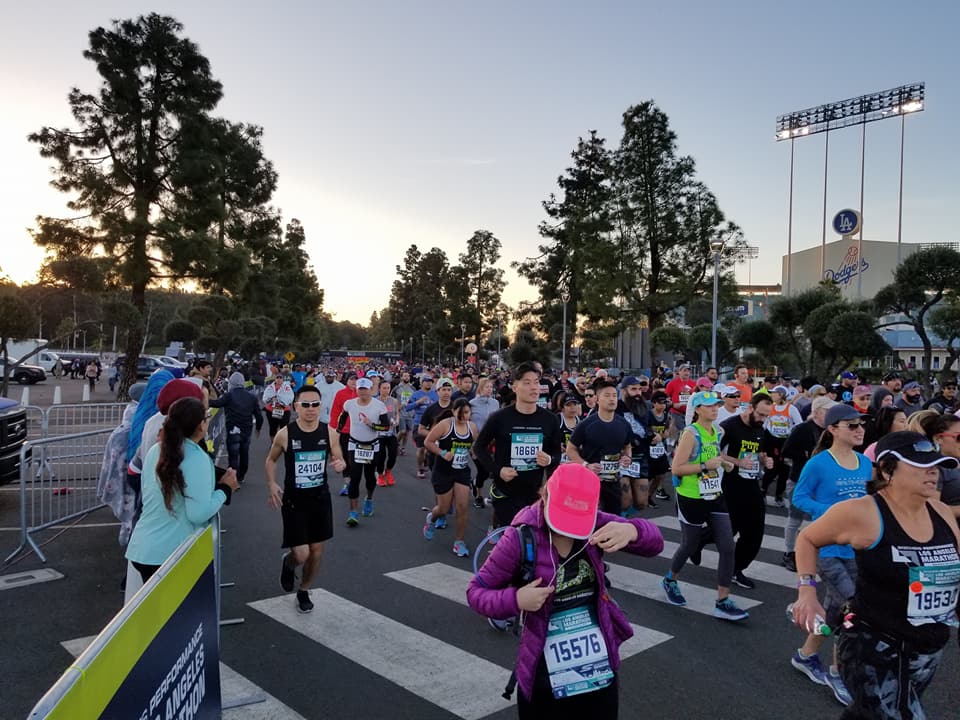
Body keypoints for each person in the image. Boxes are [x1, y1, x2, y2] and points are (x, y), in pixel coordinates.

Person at [466, 463, 664, 718]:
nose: (566, 530)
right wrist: (516, 599)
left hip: (597, 667)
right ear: (545, 494)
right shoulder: (520, 538)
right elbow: (476, 592)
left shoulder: (596, 523)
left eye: (576, 519)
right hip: (543, 672)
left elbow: (655, 543)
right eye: (562, 515)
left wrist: (633, 530)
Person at [791, 432, 960, 719]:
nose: (933, 471)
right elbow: (807, 538)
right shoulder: (864, 512)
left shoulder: (941, 512)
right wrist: (807, 591)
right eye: (920, 465)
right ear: (886, 469)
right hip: (874, 647)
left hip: (927, 649)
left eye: (935, 464)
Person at [789, 403, 872, 706]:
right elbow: (798, 498)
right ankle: (838, 673)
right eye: (852, 425)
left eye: (862, 424)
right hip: (825, 549)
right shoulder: (819, 464)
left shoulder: (865, 463)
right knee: (853, 609)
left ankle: (806, 655)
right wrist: (833, 514)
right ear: (833, 430)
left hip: (857, 550)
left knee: (835, 611)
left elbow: (869, 501)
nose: (860, 429)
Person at [125, 397, 238, 583]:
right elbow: (198, 513)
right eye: (206, 417)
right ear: (201, 425)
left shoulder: (156, 450)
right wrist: (226, 488)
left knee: (157, 611)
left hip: (142, 547)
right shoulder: (196, 457)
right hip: (172, 554)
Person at [661, 391, 749, 621]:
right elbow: (677, 468)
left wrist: (726, 463)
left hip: (714, 494)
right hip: (690, 495)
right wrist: (704, 465)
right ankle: (670, 579)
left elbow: (715, 454)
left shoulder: (718, 430)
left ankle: (722, 600)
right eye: (709, 406)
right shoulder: (690, 433)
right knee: (689, 544)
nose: (715, 409)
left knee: (728, 546)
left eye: (717, 405)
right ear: (698, 409)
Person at [265, 385, 345, 614]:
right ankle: (289, 562)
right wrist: (271, 483)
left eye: (316, 404)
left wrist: (341, 464)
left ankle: (304, 590)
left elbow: (339, 458)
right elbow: (270, 460)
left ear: (321, 406)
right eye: (306, 405)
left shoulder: (329, 433)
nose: (311, 409)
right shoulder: (285, 434)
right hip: (294, 501)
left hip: (320, 500)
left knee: (317, 552)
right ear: (296, 407)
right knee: (302, 553)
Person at [474, 362, 563, 539]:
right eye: (527, 382)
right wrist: (498, 470)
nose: (533, 387)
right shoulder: (500, 417)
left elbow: (556, 454)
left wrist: (549, 460)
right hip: (505, 491)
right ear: (515, 387)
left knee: (533, 542)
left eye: (536, 382)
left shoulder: (550, 420)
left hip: (535, 492)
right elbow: (479, 447)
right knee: (516, 538)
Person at [719, 395, 774, 589]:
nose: (762, 419)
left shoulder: (760, 428)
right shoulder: (729, 425)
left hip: (751, 484)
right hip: (731, 485)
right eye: (760, 414)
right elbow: (713, 451)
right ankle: (695, 542)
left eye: (766, 416)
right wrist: (737, 462)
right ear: (750, 407)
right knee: (728, 529)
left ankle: (736, 569)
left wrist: (765, 460)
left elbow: (760, 452)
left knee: (755, 532)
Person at [780, 397, 836, 571]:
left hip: (822, 482)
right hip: (800, 479)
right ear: (817, 411)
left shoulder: (831, 430)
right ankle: (789, 553)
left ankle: (814, 550)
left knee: (818, 519)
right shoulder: (803, 429)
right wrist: (807, 456)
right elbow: (786, 451)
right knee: (795, 519)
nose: (830, 415)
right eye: (828, 411)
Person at [564, 379, 632, 515]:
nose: (612, 399)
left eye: (614, 395)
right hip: (590, 481)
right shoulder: (587, 424)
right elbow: (570, 449)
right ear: (597, 399)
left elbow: (627, 446)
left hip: (613, 482)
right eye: (607, 395)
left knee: (612, 520)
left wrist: (627, 457)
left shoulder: (623, 424)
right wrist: (585, 465)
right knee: (591, 519)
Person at [423, 398, 478, 556]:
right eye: (460, 413)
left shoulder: (472, 427)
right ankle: (431, 519)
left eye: (467, 413)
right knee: (444, 508)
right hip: (443, 470)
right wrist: (442, 453)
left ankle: (459, 542)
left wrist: (476, 454)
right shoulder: (445, 425)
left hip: (461, 471)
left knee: (462, 507)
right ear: (453, 411)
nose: (464, 416)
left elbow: (475, 445)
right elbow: (428, 441)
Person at [331, 377, 389, 526]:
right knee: (354, 477)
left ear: (371, 390)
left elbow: (386, 427)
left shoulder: (379, 406)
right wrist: (338, 430)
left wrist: (372, 425)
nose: (362, 392)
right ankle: (353, 512)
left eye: (365, 389)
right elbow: (343, 416)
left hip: (372, 445)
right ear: (356, 390)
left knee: (370, 477)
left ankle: (369, 499)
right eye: (360, 389)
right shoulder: (349, 404)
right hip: (354, 444)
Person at [209, 372, 264, 485]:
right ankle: (241, 476)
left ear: (231, 382)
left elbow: (216, 403)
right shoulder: (252, 397)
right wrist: (258, 428)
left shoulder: (229, 395)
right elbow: (259, 415)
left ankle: (233, 479)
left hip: (232, 429)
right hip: (246, 430)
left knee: (233, 456)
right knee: (244, 453)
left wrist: (203, 397)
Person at [469, 377, 500, 508]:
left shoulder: (495, 403)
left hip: (492, 442)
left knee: (492, 471)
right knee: (482, 470)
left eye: (491, 387)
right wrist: (472, 446)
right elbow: (468, 423)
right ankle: (478, 495)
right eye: (487, 387)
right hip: (476, 442)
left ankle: (489, 492)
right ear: (480, 388)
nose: (489, 389)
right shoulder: (472, 403)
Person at [405, 374, 438, 479]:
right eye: (426, 381)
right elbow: (407, 407)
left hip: (433, 425)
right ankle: (420, 468)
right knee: (421, 449)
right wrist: (418, 402)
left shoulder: (436, 394)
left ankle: (428, 461)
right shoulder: (416, 394)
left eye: (430, 381)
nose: (428, 383)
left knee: (431, 448)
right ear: (421, 383)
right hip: (419, 424)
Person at [647, 392, 673, 504]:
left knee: (661, 474)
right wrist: (652, 435)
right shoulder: (648, 415)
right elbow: (644, 430)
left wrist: (662, 435)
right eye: (660, 403)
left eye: (664, 403)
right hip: (649, 449)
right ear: (654, 403)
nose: (663, 405)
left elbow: (667, 432)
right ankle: (641, 497)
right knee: (648, 476)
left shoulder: (666, 415)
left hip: (661, 449)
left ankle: (648, 496)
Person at [375, 379, 400, 487]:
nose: (386, 390)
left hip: (391, 432)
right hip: (379, 433)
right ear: (379, 389)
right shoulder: (375, 401)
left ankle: (388, 471)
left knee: (393, 454)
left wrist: (397, 421)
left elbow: (397, 414)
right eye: (384, 388)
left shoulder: (394, 401)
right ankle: (380, 475)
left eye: (388, 388)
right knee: (381, 456)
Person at [262, 373, 294, 440]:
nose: (279, 379)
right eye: (277, 378)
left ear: (283, 379)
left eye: (280, 378)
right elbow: (265, 398)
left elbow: (290, 397)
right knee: (273, 428)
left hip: (284, 410)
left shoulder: (287, 387)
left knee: (284, 429)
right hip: (271, 410)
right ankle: (273, 445)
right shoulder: (270, 387)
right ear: (275, 379)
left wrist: (280, 399)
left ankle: (282, 445)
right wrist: (271, 398)